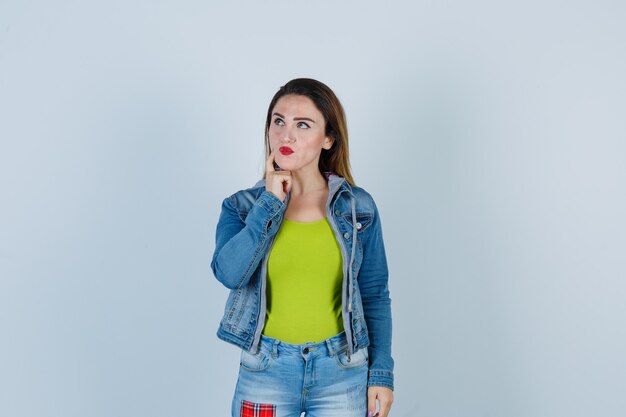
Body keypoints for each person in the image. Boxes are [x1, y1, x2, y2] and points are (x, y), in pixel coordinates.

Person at [211, 78, 394, 417]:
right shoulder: (243, 207)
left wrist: (381, 375)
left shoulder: (358, 209)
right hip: (266, 370)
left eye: (302, 125)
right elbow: (229, 273)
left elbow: (374, 294)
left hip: (342, 372)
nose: (286, 135)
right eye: (278, 121)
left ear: (328, 139)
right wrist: (270, 202)